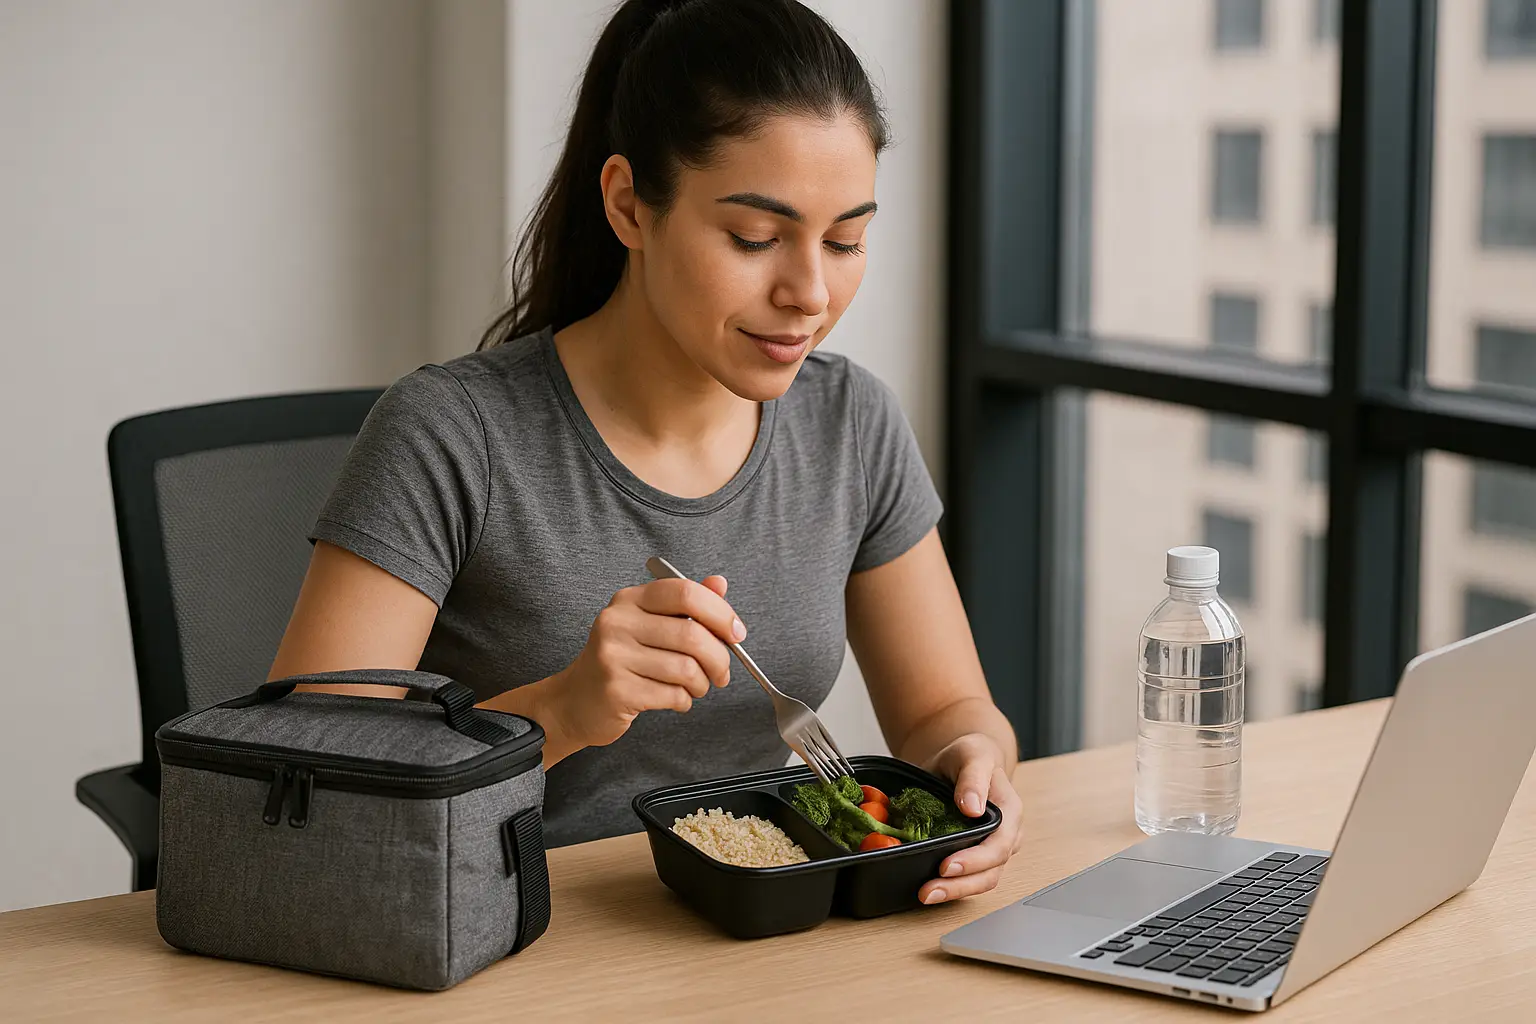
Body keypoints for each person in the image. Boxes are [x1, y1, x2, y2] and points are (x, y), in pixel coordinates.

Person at [269, 0, 1022, 906]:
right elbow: (305, 782)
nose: (811, 291)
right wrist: (561, 710)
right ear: (630, 203)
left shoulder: (851, 423)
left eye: (846, 239)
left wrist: (973, 765)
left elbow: (945, 712)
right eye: (755, 238)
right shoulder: (451, 433)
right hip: (485, 930)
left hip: (747, 931)